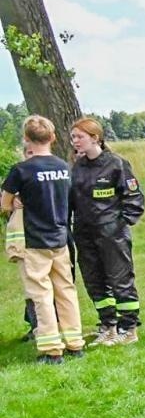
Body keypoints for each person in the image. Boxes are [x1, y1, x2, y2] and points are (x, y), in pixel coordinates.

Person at [2, 115, 84, 364]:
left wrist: (16, 201)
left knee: (41, 294)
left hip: (34, 240)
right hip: (60, 237)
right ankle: (75, 343)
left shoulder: (21, 170)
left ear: (26, 138)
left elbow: (4, 203)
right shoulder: (63, 166)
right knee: (66, 291)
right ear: (53, 137)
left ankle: (51, 349)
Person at [68, 117, 144, 346]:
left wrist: (120, 224)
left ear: (95, 138)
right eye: (73, 137)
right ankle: (107, 325)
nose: (75, 141)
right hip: (84, 232)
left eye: (79, 137)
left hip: (112, 233)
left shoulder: (117, 164)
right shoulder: (77, 167)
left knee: (119, 279)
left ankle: (128, 328)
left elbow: (134, 197)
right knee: (94, 280)